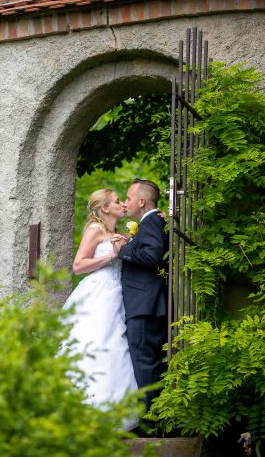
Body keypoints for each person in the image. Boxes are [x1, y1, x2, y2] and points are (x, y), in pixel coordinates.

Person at [62, 189, 139, 431]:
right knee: (96, 344)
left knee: (116, 346)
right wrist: (111, 256)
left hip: (116, 294)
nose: (122, 204)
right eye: (117, 201)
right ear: (105, 208)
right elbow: (78, 266)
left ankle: (111, 412)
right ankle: (83, 411)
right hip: (97, 294)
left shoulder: (116, 233)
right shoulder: (95, 230)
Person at [113, 178, 169, 426]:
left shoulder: (152, 222)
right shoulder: (151, 223)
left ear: (142, 201)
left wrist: (123, 249)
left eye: (128, 198)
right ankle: (153, 419)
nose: (125, 203)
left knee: (146, 364)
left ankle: (152, 424)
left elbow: (152, 255)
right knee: (146, 362)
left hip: (145, 304)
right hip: (143, 303)